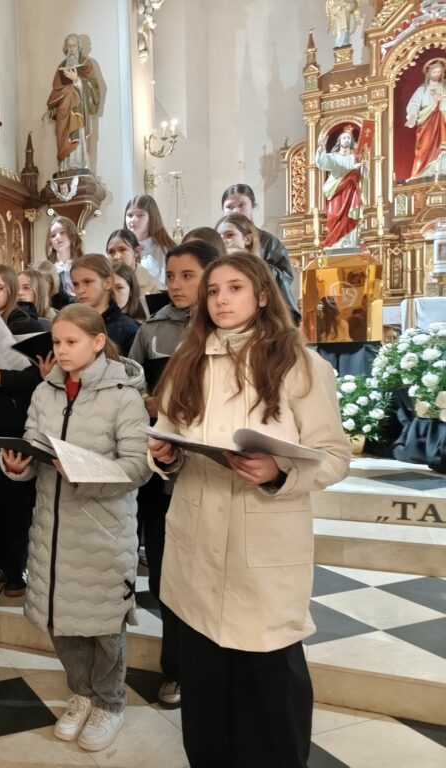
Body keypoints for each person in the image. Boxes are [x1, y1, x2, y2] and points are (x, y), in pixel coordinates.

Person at [147, 253, 351, 767]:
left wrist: (279, 472)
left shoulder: (299, 364)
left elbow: (334, 455)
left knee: (270, 695)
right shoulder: (187, 361)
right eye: (213, 291)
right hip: (197, 544)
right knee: (207, 701)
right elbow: (169, 435)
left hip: (261, 549)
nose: (221, 299)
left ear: (262, 295)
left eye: (234, 288)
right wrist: (166, 456)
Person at [0, 303, 151, 752]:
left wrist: (85, 473)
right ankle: (81, 694)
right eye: (56, 342)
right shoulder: (44, 392)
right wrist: (19, 465)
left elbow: (138, 466)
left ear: (98, 342)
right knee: (62, 620)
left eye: (71, 342)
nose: (61, 351)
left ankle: (109, 702)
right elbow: (33, 444)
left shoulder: (123, 394)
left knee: (103, 626)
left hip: (102, 529)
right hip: (53, 526)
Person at [127, 240, 218, 708]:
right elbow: (131, 385)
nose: (177, 285)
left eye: (188, 276)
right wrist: (144, 402)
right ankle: (177, 668)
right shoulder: (152, 329)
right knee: (166, 572)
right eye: (171, 276)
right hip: (162, 471)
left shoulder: (225, 328)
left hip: (213, 472)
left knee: (211, 575)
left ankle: (214, 667)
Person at [0, 265, 43, 598]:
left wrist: (6, 379)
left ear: (12, 290)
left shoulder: (26, 325)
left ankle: (16, 570)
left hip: (16, 420)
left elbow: (40, 374)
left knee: (15, 502)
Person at [220, 184, 300, 324]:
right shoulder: (217, 242)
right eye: (230, 207)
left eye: (241, 205)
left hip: (265, 312)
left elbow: (284, 278)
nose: (235, 211)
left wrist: (253, 267)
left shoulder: (269, 241)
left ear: (253, 206)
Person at [46, 33, 102, 171]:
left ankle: (79, 163)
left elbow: (94, 87)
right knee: (62, 136)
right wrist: (52, 110)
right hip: (63, 114)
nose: (71, 49)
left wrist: (77, 80)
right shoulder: (61, 66)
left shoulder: (86, 63)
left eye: (74, 46)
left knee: (78, 134)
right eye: (69, 46)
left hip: (79, 111)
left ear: (79, 47)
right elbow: (56, 91)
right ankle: (65, 166)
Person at [70, 254, 140, 356]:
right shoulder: (69, 324)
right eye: (76, 284)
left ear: (107, 283)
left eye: (87, 282)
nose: (80, 290)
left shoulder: (130, 329)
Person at [315, 126, 366, 248]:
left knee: (350, 216)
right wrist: (321, 148)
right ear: (339, 141)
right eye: (344, 138)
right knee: (335, 215)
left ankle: (350, 242)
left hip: (351, 190)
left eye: (348, 138)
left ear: (351, 141)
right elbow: (321, 163)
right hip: (336, 191)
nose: (346, 140)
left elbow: (363, 175)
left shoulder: (355, 157)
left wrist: (364, 165)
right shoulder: (333, 156)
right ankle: (337, 242)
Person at [405, 58, 446, 180]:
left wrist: (442, 100)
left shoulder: (444, 87)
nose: (437, 74)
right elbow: (414, 104)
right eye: (435, 72)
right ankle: (423, 172)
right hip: (427, 123)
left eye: (439, 72)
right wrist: (412, 116)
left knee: (442, 146)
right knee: (424, 148)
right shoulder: (422, 89)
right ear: (429, 73)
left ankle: (442, 168)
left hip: (442, 120)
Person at [124, 195, 175, 286]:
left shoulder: (167, 250)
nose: (133, 220)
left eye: (140, 215)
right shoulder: (119, 249)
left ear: (152, 218)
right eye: (130, 215)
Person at [106, 228, 163, 296]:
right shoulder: (102, 284)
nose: (116, 257)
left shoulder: (154, 287)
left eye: (122, 249)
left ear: (136, 251)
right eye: (111, 252)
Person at [45, 216, 82, 306]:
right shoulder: (47, 270)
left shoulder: (84, 266)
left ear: (72, 234)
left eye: (62, 232)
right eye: (53, 235)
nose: (57, 237)